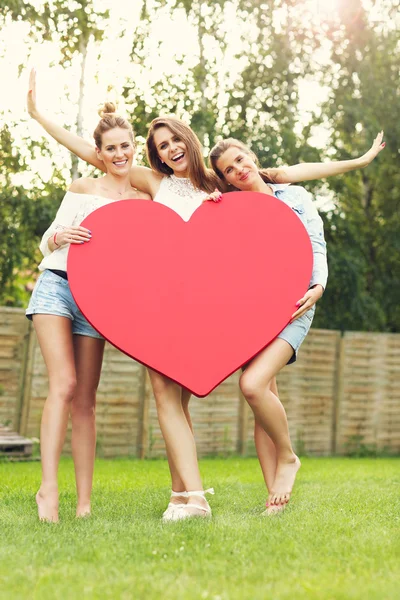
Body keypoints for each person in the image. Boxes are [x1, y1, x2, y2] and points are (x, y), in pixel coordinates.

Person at [27, 68, 384, 519]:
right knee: (168, 392)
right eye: (160, 147)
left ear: (188, 139)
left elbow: (288, 176)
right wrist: (40, 117)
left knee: (247, 389)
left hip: (215, 306)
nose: (170, 150)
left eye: (174, 140)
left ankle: (239, 490)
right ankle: (189, 496)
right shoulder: (153, 184)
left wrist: (357, 162)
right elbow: (98, 155)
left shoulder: (221, 186)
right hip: (168, 303)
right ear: (155, 156)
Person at [207, 135, 383, 513]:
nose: (239, 170)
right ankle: (275, 500)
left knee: (252, 386)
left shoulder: (292, 196)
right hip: (251, 310)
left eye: (240, 160)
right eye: (229, 171)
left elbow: (315, 244)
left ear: (251, 156)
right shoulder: (230, 207)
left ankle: (288, 456)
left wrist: (319, 285)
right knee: (263, 400)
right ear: (225, 178)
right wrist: (211, 207)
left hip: (295, 304)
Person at [26, 102, 150, 522]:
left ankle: (83, 505)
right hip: (57, 288)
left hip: (97, 302)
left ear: (135, 148)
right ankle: (48, 491)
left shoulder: (142, 198)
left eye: (125, 147)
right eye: (111, 148)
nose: (119, 155)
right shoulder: (82, 188)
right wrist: (60, 235)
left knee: (86, 402)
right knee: (63, 384)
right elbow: (46, 241)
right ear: (98, 153)